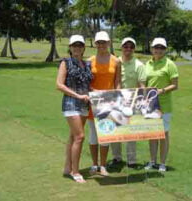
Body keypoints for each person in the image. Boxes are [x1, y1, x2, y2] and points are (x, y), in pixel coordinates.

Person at [56, 35, 92, 183]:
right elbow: (59, 85)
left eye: (80, 45)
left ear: (83, 48)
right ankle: (75, 171)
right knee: (80, 137)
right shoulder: (65, 62)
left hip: (84, 104)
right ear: (70, 48)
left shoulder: (87, 64)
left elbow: (87, 86)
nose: (77, 48)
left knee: (73, 137)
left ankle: (67, 167)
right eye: (74, 45)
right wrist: (78, 95)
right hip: (71, 103)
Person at [88, 31, 121, 176]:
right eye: (99, 42)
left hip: (109, 102)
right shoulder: (89, 61)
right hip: (93, 102)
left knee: (106, 134)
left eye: (104, 42)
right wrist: (95, 92)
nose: (101, 45)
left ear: (109, 43)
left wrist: (116, 95)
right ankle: (94, 164)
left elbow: (117, 82)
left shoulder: (116, 61)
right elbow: (86, 82)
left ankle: (103, 166)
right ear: (95, 43)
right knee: (94, 135)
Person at [110, 37, 146, 168]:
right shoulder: (115, 62)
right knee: (116, 131)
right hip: (115, 100)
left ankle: (131, 160)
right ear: (122, 47)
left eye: (131, 47)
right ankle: (116, 158)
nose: (128, 49)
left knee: (131, 132)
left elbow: (142, 85)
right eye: (126, 46)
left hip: (132, 102)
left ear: (134, 49)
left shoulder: (139, 65)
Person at [144, 37, 179, 172]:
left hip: (164, 105)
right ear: (152, 49)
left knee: (163, 134)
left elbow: (175, 85)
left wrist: (162, 90)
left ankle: (162, 163)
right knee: (152, 134)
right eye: (156, 47)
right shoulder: (147, 64)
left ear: (165, 50)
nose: (158, 50)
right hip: (151, 105)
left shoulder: (170, 64)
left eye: (161, 48)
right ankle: (152, 161)